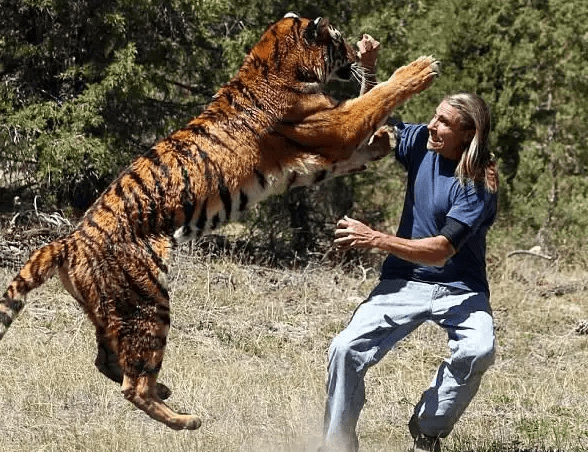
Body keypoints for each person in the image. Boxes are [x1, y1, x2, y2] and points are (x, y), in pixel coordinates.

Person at [321, 36, 499, 452]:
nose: (432, 126)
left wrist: (375, 238)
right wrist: (369, 69)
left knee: (479, 349)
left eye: (444, 123)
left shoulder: (478, 182)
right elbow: (374, 117)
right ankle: (336, 443)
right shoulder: (422, 141)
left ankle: (427, 429)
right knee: (345, 348)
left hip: (461, 288)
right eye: (434, 117)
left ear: (468, 134)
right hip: (404, 282)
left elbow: (441, 250)